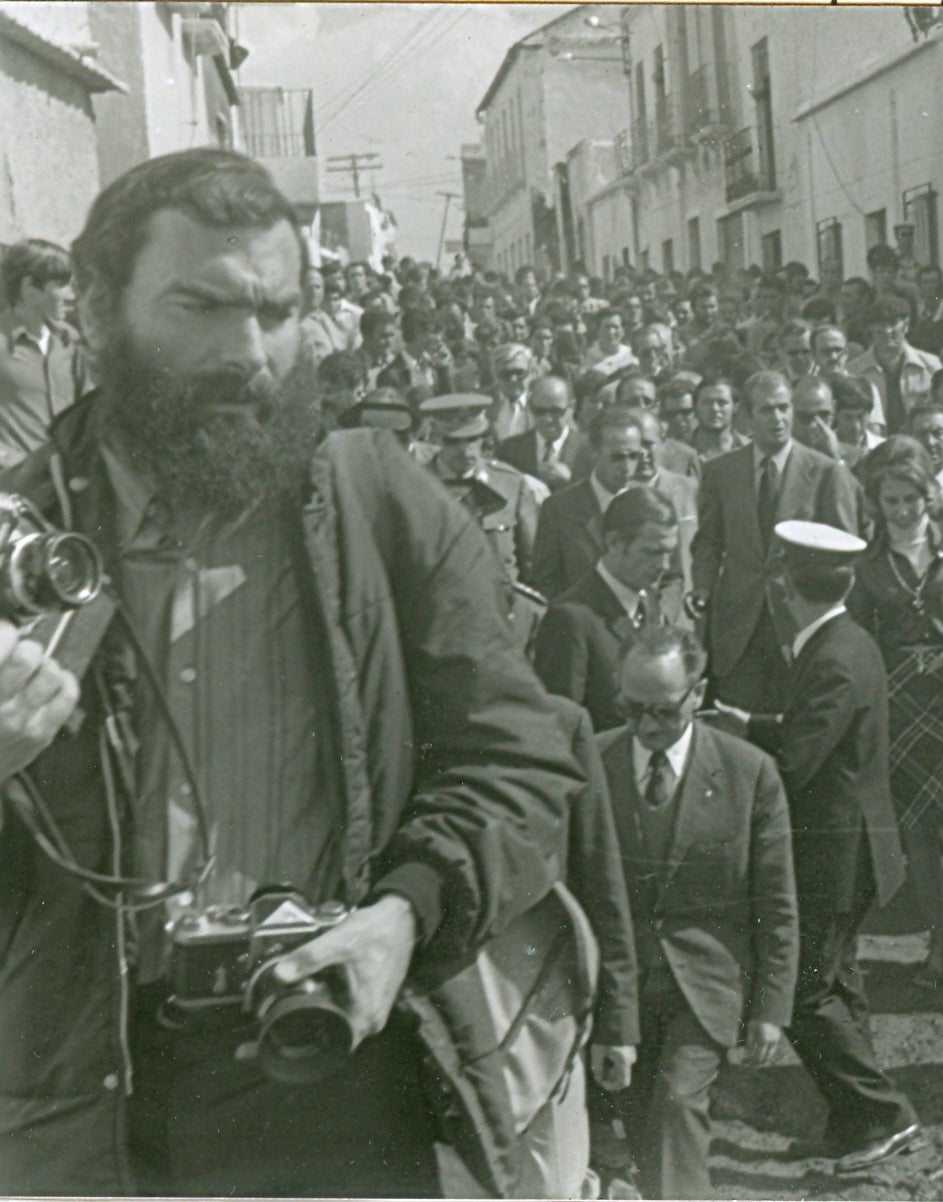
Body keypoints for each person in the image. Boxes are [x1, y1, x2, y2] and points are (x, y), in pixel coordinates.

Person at [0, 148, 586, 1196]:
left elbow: (525, 763)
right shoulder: (21, 535)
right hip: (77, 1105)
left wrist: (403, 917)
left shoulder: (384, 505)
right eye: (202, 307)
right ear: (92, 307)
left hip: (330, 1073)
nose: (251, 353)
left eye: (276, 310)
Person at [711, 521, 923, 1173]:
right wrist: (753, 724)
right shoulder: (844, 641)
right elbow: (817, 731)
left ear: (783, 586)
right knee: (839, 983)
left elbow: (800, 760)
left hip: (836, 854)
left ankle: (887, 1114)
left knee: (803, 992)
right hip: (855, 848)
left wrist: (731, 748)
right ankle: (856, 1118)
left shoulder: (828, 654)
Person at [596, 629, 799, 1200]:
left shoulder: (749, 772)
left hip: (705, 985)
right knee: (635, 1123)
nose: (646, 726)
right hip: (616, 985)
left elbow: (777, 903)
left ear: (697, 692)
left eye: (663, 710)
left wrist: (769, 1009)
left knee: (678, 1105)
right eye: (631, 709)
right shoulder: (591, 762)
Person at [850, 439, 943, 987]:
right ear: (877, 502)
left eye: (911, 498)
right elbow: (861, 636)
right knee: (917, 828)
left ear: (928, 496)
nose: (901, 510)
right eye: (890, 500)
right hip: (899, 702)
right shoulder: (866, 563)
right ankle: (934, 940)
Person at [691, 371, 860, 711]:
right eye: (767, 410)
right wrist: (703, 588)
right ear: (746, 416)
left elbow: (845, 552)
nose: (778, 418)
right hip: (739, 625)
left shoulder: (826, 472)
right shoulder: (720, 471)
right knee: (734, 723)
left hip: (800, 621)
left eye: (784, 408)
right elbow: (708, 541)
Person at [535, 486, 691, 734]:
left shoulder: (649, 604)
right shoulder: (571, 617)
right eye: (652, 552)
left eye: (669, 553)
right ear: (614, 543)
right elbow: (560, 729)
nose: (663, 566)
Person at [420, 394, 540, 614]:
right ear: (436, 437)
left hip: (501, 610)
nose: (465, 451)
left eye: (473, 439)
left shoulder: (510, 483)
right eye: (453, 441)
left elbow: (532, 560)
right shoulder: (416, 485)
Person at [528, 406, 650, 600]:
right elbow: (545, 581)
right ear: (594, 452)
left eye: (634, 456)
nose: (627, 467)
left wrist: (661, 614)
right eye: (617, 457)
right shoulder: (559, 509)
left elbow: (671, 577)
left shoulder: (651, 504)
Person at [0, 237, 85, 466]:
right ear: (29, 288)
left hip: (72, 488)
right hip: (14, 489)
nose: (71, 295)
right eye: (61, 284)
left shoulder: (71, 342)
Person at [847, 296, 941, 435]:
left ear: (906, 325)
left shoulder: (930, 365)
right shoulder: (854, 370)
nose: (886, 331)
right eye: (879, 324)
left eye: (892, 323)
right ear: (870, 329)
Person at [497, 374, 592, 492]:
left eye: (556, 411)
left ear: (571, 406)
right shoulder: (510, 450)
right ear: (530, 407)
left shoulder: (590, 449)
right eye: (540, 411)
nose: (547, 419)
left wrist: (571, 481)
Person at [689, 374, 745, 460]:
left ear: (735, 407)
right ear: (695, 407)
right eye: (707, 402)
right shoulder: (679, 453)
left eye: (722, 402)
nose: (714, 409)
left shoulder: (750, 451)